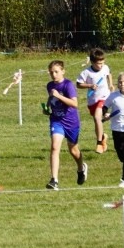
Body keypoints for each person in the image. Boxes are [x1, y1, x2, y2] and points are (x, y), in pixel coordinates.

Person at [45, 59, 87, 190]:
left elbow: (75, 104)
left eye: (56, 72)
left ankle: (81, 168)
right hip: (56, 120)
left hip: (71, 122)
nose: (54, 75)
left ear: (63, 71)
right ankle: (54, 180)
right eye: (51, 72)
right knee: (54, 147)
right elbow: (51, 98)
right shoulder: (49, 85)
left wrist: (59, 96)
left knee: (73, 150)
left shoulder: (68, 85)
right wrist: (47, 107)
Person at [76, 48, 112, 153]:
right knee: (97, 121)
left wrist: (110, 84)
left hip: (104, 97)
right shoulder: (86, 72)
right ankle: (103, 136)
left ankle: (99, 143)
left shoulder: (105, 68)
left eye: (102, 63)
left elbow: (109, 73)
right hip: (92, 100)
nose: (101, 65)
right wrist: (90, 85)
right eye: (98, 64)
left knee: (97, 118)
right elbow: (78, 84)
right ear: (92, 62)